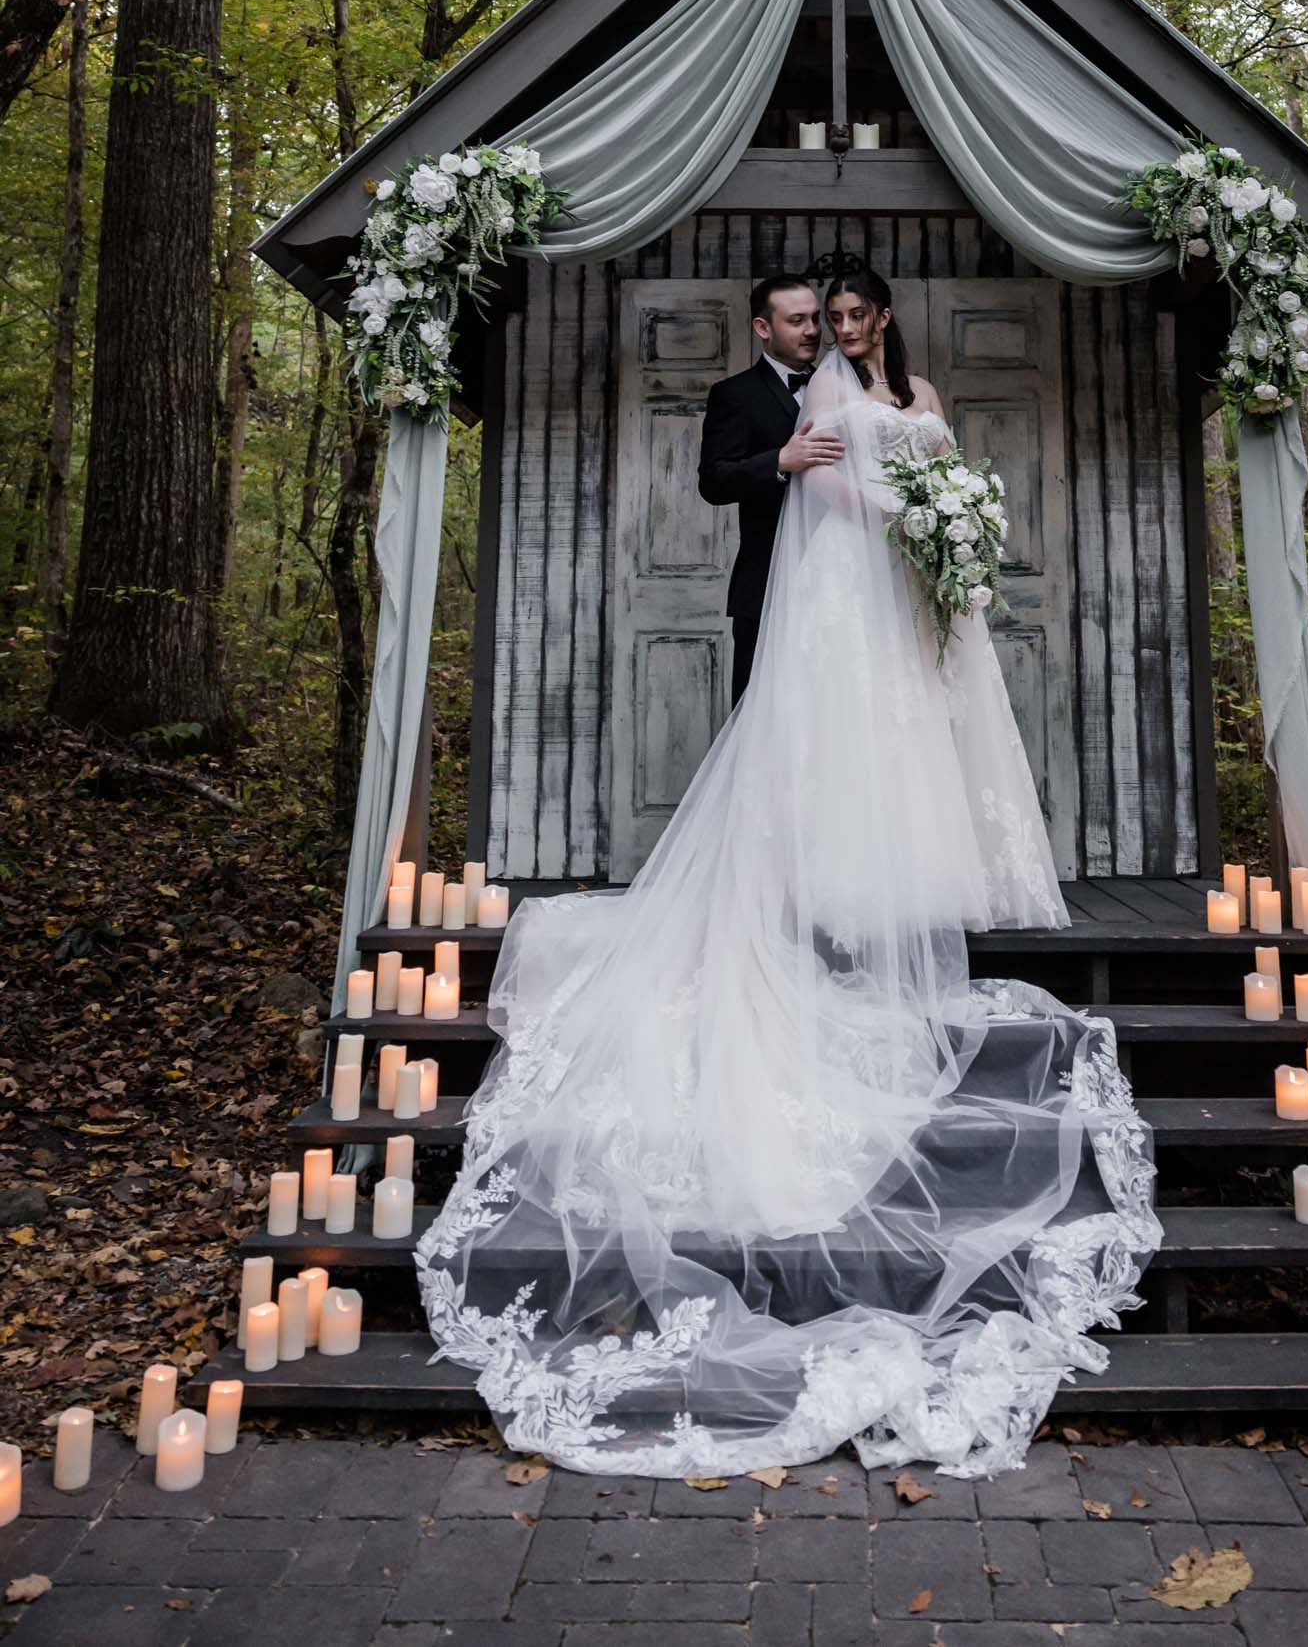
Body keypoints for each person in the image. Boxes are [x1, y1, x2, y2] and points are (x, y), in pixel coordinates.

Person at [416, 263, 1160, 1478]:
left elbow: (922, 466)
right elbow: (750, 480)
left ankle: (888, 879)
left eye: (844, 316)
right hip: (804, 588)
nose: (830, 331)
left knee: (893, 748)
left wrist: (943, 522)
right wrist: (807, 473)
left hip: (897, 588)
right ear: (775, 325)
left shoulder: (905, 384)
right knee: (802, 748)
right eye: (815, 318)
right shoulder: (777, 395)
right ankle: (803, 886)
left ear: (872, 321)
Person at [697, 273, 843, 704]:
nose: (813, 331)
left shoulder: (843, 389)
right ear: (763, 328)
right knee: (760, 713)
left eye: (816, 319)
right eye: (797, 320)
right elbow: (714, 481)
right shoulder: (734, 395)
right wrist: (779, 461)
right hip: (766, 584)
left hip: (841, 580)